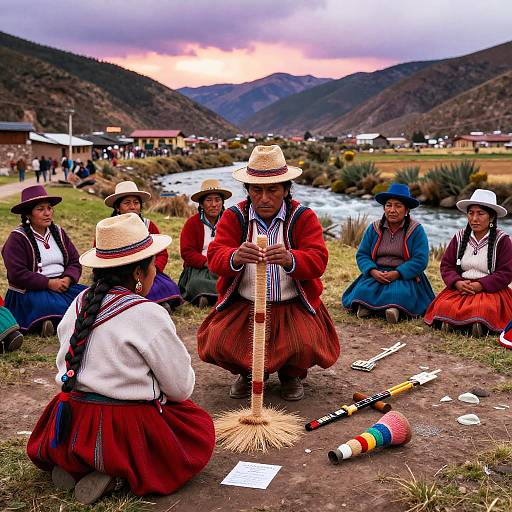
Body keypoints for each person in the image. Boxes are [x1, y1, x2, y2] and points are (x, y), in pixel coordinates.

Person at [26, 213, 215, 505]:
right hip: (122, 427)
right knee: (196, 427)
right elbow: (180, 388)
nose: (155, 270)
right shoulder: (148, 314)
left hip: (71, 416)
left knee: (87, 424)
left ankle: (74, 462)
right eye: (152, 264)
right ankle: (116, 473)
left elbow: (64, 366)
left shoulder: (79, 302)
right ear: (139, 273)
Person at [197, 145, 340, 401]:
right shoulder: (234, 217)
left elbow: (318, 260)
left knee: (304, 343)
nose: (264, 198)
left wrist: (291, 258)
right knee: (220, 341)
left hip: (291, 303)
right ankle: (246, 372)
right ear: (248, 191)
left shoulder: (303, 217)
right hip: (245, 304)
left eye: (272, 190)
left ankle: (290, 374)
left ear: (286, 190)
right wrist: (235, 256)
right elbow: (215, 255)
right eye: (257, 190)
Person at [424, 189, 512, 336]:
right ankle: (460, 323)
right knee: (443, 305)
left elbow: (506, 273)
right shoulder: (459, 237)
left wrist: (480, 285)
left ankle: (475, 325)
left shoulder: (502, 240)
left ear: (491, 217)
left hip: (490, 290)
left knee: (484, 307)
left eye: (480, 213)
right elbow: (447, 266)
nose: (474, 218)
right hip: (462, 287)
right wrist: (457, 282)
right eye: (471, 213)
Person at [342, 183, 434, 323]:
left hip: (404, 276)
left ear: (407, 210)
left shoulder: (416, 230)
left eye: (398, 206)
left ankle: (393, 311)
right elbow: (362, 254)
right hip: (377, 273)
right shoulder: (374, 228)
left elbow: (420, 259)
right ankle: (367, 307)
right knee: (363, 291)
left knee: (399, 294)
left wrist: (398, 273)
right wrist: (372, 271)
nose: (392, 210)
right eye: (388, 205)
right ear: (384, 208)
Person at [1, 185, 86, 337]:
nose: (47, 213)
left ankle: (54, 322)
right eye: (40, 209)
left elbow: (75, 260)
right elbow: (17, 274)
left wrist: (67, 278)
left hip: (62, 286)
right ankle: (51, 322)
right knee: (49, 305)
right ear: (28, 214)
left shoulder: (58, 233)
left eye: (49, 208)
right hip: (30, 290)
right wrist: (48, 283)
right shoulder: (17, 238)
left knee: (88, 296)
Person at [104, 181, 182, 311]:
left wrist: (153, 269)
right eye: (127, 203)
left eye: (136, 202)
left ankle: (157, 304)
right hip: (120, 276)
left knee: (167, 288)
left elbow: (162, 253)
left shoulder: (149, 225)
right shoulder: (108, 229)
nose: (132, 206)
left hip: (147, 272)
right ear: (118, 207)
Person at [178, 179, 232, 307]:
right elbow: (187, 252)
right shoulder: (192, 223)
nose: (214, 204)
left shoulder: (230, 221)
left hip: (223, 264)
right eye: (209, 200)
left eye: (217, 200)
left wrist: (223, 261)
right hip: (200, 266)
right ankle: (208, 296)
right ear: (201, 204)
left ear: (222, 202)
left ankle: (209, 296)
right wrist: (206, 262)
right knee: (196, 283)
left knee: (232, 280)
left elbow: (236, 245)